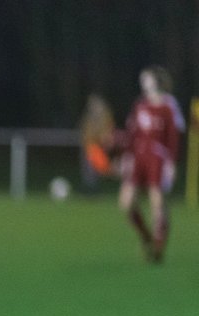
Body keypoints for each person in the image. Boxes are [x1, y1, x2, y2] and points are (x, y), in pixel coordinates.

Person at [118, 66, 183, 263]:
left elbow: (173, 136)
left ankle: (158, 246)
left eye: (146, 77)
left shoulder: (168, 106)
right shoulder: (140, 105)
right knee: (126, 203)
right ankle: (146, 236)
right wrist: (126, 156)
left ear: (155, 81)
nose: (142, 80)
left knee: (157, 202)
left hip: (157, 157)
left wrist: (171, 163)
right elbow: (132, 133)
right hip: (138, 155)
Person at [78, 94, 115, 193]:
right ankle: (89, 188)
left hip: (97, 145)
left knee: (102, 168)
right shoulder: (89, 116)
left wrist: (107, 141)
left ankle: (94, 188)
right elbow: (85, 130)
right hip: (88, 144)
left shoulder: (105, 115)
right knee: (88, 168)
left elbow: (108, 130)